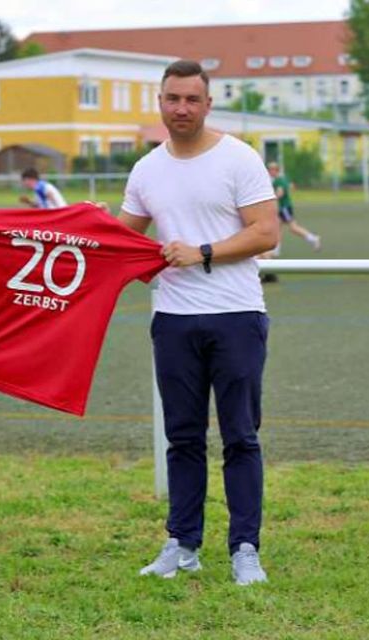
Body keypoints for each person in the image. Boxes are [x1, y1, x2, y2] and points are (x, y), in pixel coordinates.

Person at [118, 60, 279, 586]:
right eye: (172, 98)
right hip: (174, 321)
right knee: (182, 438)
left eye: (191, 99)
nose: (181, 108)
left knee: (240, 437)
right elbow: (126, 241)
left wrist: (203, 252)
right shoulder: (146, 170)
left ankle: (245, 549)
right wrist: (90, 224)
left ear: (208, 104)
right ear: (160, 103)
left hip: (236, 316)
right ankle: (182, 544)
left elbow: (265, 233)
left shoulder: (239, 158)